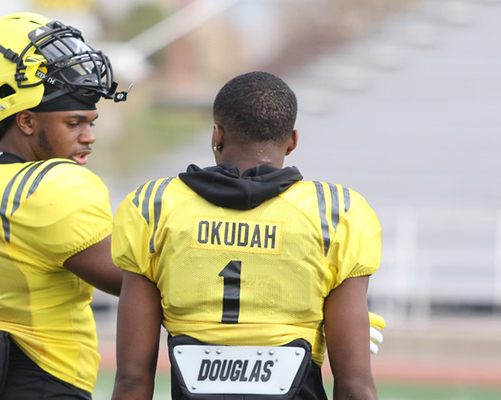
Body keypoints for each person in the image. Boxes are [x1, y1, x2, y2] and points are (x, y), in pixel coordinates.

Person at [110, 71, 381, 400]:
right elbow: (354, 384)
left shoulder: (153, 207)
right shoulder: (337, 212)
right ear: (293, 140)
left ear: (217, 135)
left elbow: (133, 378)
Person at [0, 12, 130, 400]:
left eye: (91, 123)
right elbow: (133, 278)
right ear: (27, 121)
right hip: (46, 383)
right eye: (74, 123)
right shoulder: (49, 187)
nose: (89, 137)